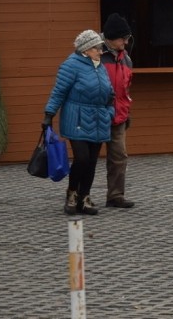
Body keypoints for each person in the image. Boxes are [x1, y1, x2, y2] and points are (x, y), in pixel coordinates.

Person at [43, 30, 114, 216]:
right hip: (77, 118)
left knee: (91, 162)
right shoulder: (71, 65)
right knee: (81, 158)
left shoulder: (100, 66)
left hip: (99, 119)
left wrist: (110, 112)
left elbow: (110, 93)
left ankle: (85, 197)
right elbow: (59, 91)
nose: (101, 51)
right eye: (97, 48)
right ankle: (72, 194)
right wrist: (49, 114)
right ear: (86, 49)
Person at [101, 13, 135, 209]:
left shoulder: (126, 60)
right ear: (111, 38)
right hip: (98, 115)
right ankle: (80, 195)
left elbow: (126, 89)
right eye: (123, 38)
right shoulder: (95, 56)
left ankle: (115, 195)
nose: (126, 42)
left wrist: (127, 110)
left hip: (119, 115)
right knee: (86, 158)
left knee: (119, 157)